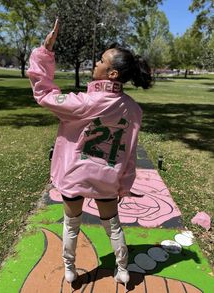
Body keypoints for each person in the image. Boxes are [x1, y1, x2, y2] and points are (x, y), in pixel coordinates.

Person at [27, 19, 152, 291]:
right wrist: (123, 184)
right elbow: (130, 152)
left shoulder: (83, 103)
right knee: (113, 226)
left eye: (101, 61)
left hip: (74, 175)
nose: (95, 63)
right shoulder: (133, 109)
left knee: (72, 225)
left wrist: (44, 53)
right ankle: (122, 270)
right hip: (107, 179)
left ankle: (70, 270)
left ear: (113, 75)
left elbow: (45, 93)